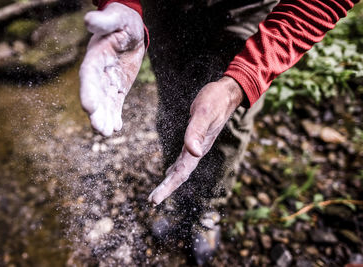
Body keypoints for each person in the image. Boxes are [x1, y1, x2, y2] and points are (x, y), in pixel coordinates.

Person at [79, 0, 358, 263]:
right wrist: (124, 3)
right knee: (174, 103)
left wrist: (243, 78)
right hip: (164, 8)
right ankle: (180, 199)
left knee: (224, 124)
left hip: (244, 7)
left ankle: (206, 207)